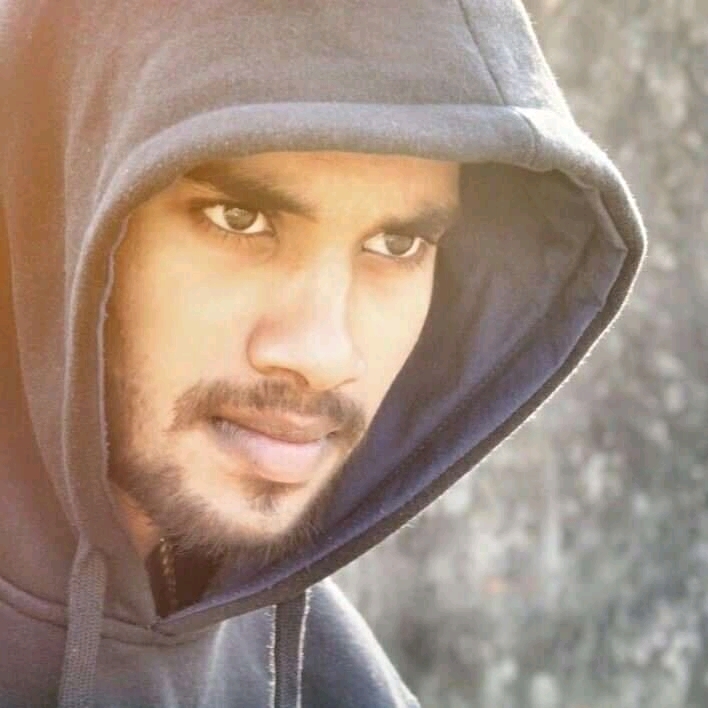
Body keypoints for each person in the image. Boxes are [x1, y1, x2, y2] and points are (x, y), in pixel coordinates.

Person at [0, 1, 645, 706]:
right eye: (239, 219)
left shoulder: (338, 679)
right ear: (62, 206)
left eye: (397, 244)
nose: (324, 354)